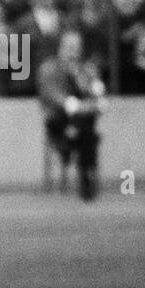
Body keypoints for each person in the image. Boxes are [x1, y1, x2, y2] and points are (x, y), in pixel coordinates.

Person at [37, 30, 105, 202]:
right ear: (60, 47)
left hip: (81, 121)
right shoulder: (49, 68)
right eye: (69, 46)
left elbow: (97, 96)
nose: (72, 51)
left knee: (85, 129)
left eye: (76, 47)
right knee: (86, 130)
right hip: (57, 121)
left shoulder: (86, 70)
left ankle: (73, 134)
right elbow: (52, 95)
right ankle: (85, 174)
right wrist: (75, 103)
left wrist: (85, 85)